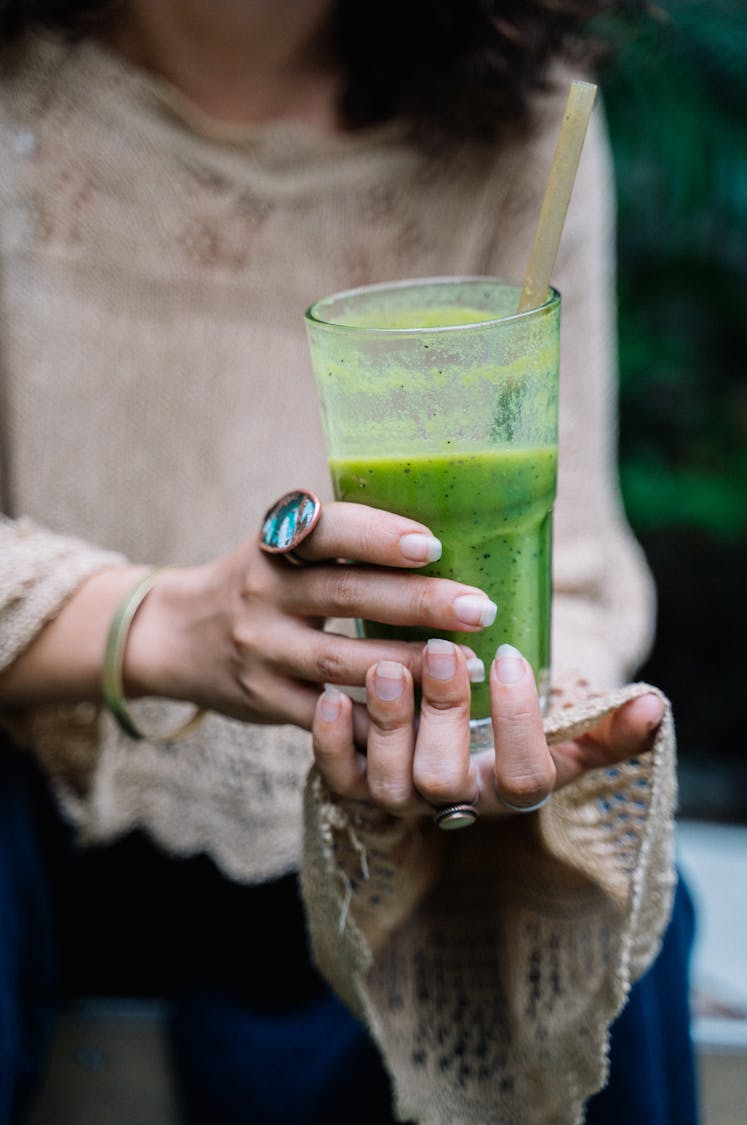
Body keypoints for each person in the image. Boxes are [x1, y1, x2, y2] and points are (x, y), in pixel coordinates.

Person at [0, 1, 696, 1123]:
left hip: (389, 818)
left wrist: (490, 728)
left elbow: (565, 572)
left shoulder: (518, 123)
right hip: (48, 797)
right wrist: (158, 624)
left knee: (608, 907)